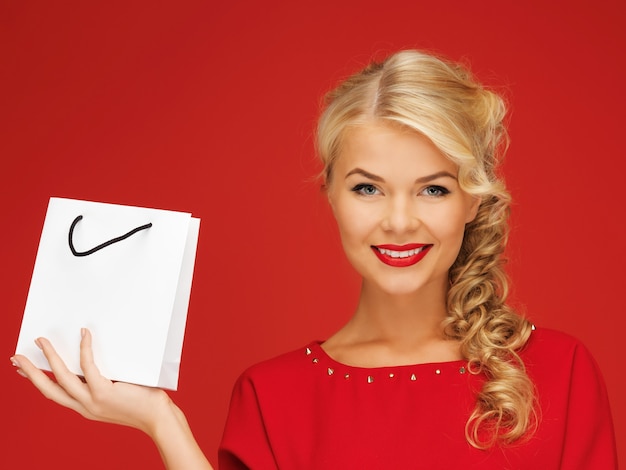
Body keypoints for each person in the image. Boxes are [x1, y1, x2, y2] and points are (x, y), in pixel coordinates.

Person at [10, 49, 617, 469]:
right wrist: (159, 420)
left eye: (433, 188)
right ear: (330, 193)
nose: (398, 220)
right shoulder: (273, 397)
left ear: (473, 201)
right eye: (367, 187)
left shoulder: (559, 373)